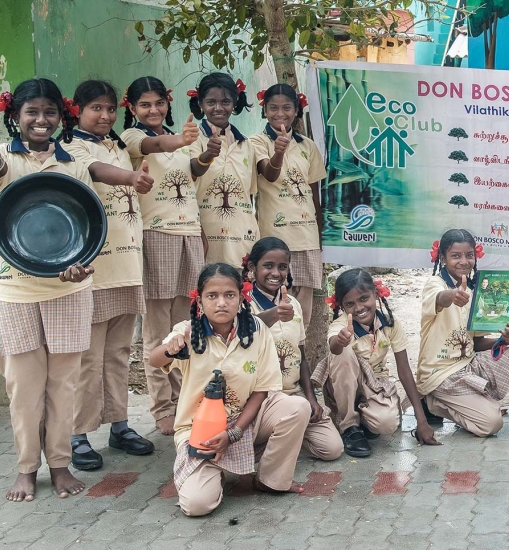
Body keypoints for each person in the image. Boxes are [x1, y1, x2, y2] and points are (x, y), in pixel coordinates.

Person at [0, 78, 102, 501]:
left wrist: (82, 269)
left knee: (64, 383)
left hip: (67, 290)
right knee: (23, 386)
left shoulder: (75, 163)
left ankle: (61, 463)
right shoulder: (1, 158)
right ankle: (27, 467)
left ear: (61, 117)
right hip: (13, 290)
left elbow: (88, 227)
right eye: (31, 112)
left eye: (50, 112)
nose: (41, 120)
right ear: (15, 116)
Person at [148, 263, 310, 517]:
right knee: (197, 506)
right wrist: (171, 348)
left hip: (244, 421)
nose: (221, 303)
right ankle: (214, 475)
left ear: (241, 298)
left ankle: (270, 480)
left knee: (296, 406)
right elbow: (155, 360)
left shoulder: (256, 330)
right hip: (201, 429)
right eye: (212, 296)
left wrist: (234, 433)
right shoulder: (189, 331)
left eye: (229, 295)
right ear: (199, 300)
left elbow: (261, 391)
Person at [64, 80, 156, 471]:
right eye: (95, 109)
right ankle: (78, 435)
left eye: (109, 109)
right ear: (78, 111)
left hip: (127, 266)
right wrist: (131, 179)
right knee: (89, 357)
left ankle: (120, 425)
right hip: (96, 268)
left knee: (119, 353)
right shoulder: (70, 146)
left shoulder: (118, 144)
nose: (104, 116)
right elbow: (96, 172)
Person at [120, 75, 205, 436]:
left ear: (167, 103)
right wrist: (181, 139)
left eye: (159, 103)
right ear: (132, 108)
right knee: (157, 331)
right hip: (157, 237)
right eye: (145, 104)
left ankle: (186, 400)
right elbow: (156, 144)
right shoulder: (132, 139)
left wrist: (203, 152)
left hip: (191, 235)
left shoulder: (181, 143)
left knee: (186, 326)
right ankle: (161, 409)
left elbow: (190, 172)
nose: (153, 110)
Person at [416, 229, 509, 437]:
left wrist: (503, 340)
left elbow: (475, 342)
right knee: (491, 424)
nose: (464, 261)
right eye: (456, 256)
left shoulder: (475, 291)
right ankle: (432, 402)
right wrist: (452, 294)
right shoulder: (435, 284)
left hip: (469, 365)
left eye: (469, 255)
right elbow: (440, 298)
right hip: (442, 374)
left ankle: (474, 402)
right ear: (442, 258)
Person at [317, 268, 440, 457]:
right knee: (344, 354)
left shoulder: (390, 324)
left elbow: (404, 370)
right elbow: (334, 347)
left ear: (375, 294)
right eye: (350, 304)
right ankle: (349, 427)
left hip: (374, 384)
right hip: (342, 387)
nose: (358, 308)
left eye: (363, 299)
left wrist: (421, 420)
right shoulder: (341, 326)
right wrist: (340, 341)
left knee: (388, 424)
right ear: (342, 307)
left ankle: (364, 421)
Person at [242, 237, 343, 462]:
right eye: (268, 266)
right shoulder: (242, 303)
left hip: (294, 393)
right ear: (252, 268)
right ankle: (276, 438)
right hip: (262, 398)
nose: (275, 273)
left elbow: (302, 358)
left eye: (282, 267)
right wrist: (274, 314)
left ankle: (287, 436)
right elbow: (244, 334)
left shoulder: (294, 304)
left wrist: (311, 398)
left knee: (332, 449)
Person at [250, 84, 327, 330]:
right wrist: (279, 152)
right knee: (271, 304)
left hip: (306, 237)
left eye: (286, 108)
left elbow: (314, 192)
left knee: (301, 311)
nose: (279, 113)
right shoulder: (257, 142)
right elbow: (269, 174)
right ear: (264, 111)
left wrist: (320, 229)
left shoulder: (307, 146)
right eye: (273, 108)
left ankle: (297, 356)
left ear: (297, 111)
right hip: (275, 236)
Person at [188, 72, 259, 266]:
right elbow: (193, 171)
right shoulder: (191, 139)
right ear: (201, 104)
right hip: (206, 236)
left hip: (242, 236)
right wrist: (208, 155)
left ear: (235, 103)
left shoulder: (246, 145)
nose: (218, 108)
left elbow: (249, 195)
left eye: (225, 102)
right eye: (211, 102)